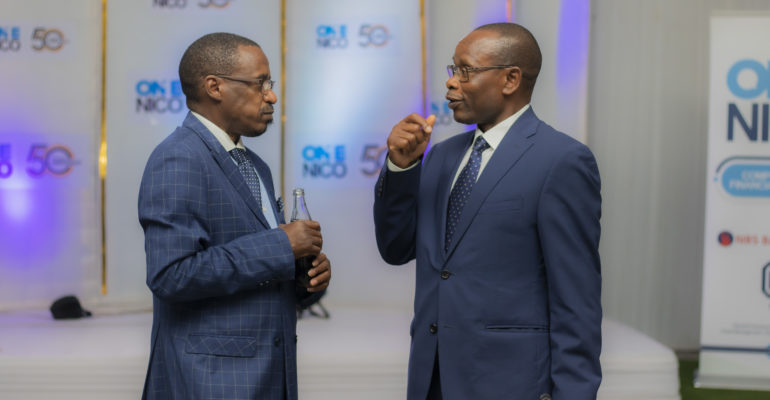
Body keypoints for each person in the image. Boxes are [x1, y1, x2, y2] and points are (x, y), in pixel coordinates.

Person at [373, 23, 602, 399]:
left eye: (465, 71)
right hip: (432, 380)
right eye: (453, 69)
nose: (451, 82)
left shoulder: (561, 161)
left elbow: (576, 300)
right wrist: (400, 168)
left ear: (511, 79)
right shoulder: (440, 157)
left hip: (509, 383)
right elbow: (396, 248)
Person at [138, 32, 331, 400]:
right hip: (209, 383)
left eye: (270, 84)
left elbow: (258, 272)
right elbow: (170, 275)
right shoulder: (178, 158)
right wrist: (281, 245)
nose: (271, 96)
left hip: (268, 377)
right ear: (215, 87)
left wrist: (303, 279)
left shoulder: (254, 165)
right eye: (260, 84)